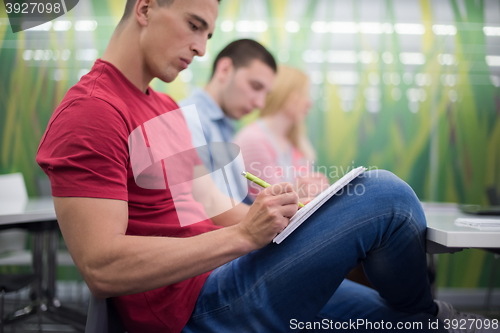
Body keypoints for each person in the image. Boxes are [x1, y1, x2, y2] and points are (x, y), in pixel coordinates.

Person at [35, 0, 494, 332]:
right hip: (191, 308)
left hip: (222, 274)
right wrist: (242, 236)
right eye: (194, 26)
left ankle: (424, 319)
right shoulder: (93, 111)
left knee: (389, 315)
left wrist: (302, 216)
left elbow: (216, 209)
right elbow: (101, 267)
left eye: (207, 35)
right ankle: (430, 318)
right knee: (386, 197)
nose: (200, 49)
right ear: (146, 7)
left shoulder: (166, 108)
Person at [234, 65, 329, 201]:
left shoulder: (295, 141)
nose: (309, 103)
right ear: (285, 93)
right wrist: (300, 191)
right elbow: (275, 205)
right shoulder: (252, 140)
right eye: (304, 95)